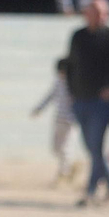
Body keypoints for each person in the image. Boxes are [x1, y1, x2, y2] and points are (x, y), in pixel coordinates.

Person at [64, 0, 109, 206]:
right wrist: (71, 90)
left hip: (101, 104)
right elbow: (70, 64)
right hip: (80, 100)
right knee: (91, 147)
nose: (100, 16)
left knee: (95, 146)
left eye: (103, 12)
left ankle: (92, 190)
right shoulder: (78, 37)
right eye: (95, 12)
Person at [31, 58, 78, 186]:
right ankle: (69, 167)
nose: (61, 74)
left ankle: (63, 172)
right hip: (58, 119)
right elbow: (49, 96)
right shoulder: (58, 83)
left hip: (70, 120)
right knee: (55, 148)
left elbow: (81, 101)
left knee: (65, 147)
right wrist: (39, 109)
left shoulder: (75, 84)